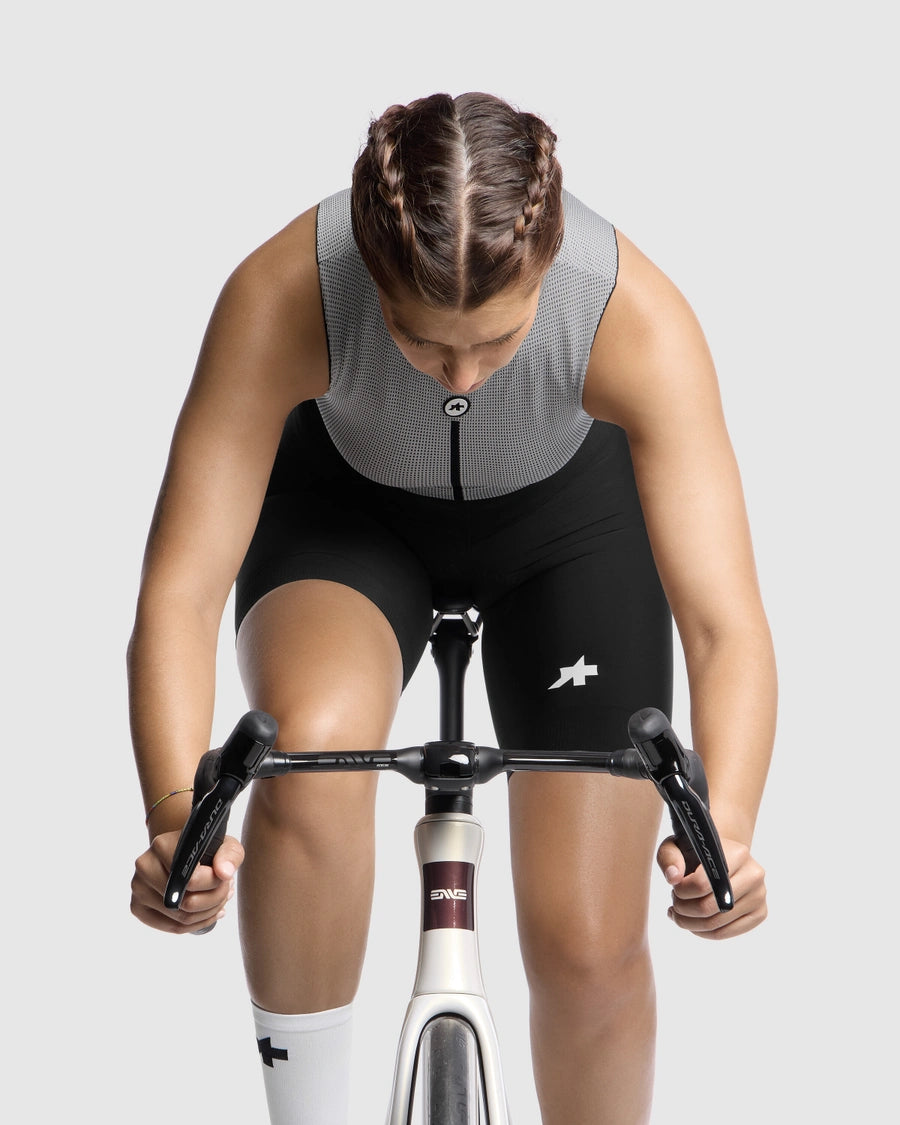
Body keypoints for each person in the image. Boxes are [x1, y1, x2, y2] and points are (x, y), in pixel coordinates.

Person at [129, 91, 775, 1125]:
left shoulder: (633, 314)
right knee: (309, 758)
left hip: (568, 534)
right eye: (420, 340)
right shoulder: (282, 292)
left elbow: (723, 622)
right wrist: (178, 820)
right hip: (345, 520)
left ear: (548, 269)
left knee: (587, 939)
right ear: (369, 274)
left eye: (499, 338)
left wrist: (726, 827)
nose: (461, 373)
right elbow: (179, 591)